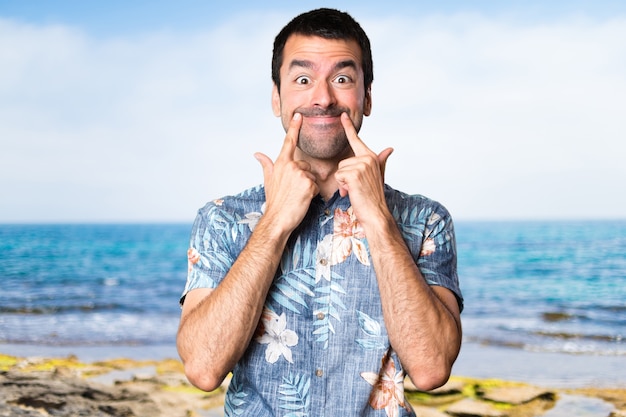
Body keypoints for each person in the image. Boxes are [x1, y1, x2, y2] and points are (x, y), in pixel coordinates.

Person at [177, 8, 463, 417]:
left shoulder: (425, 219)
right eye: (303, 79)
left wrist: (379, 220)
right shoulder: (220, 219)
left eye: (342, 79)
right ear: (277, 97)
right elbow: (203, 370)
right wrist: (274, 223)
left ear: (366, 96)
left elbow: (432, 368)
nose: (323, 97)